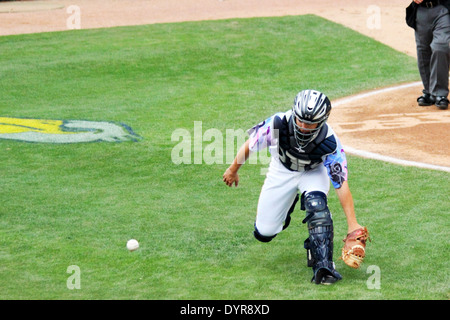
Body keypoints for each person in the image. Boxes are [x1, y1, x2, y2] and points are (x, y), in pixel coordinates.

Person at [222, 89, 369, 285]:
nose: (304, 126)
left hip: (313, 172)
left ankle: (324, 266)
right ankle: (290, 205)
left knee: (317, 207)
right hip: (282, 169)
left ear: (323, 120)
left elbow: (341, 183)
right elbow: (250, 144)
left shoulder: (330, 142)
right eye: (300, 120)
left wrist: (353, 223)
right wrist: (233, 170)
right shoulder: (277, 123)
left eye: (310, 123)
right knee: (264, 232)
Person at [406, 0, 450, 110]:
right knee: (423, 50)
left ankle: (440, 93)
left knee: (440, 46)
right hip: (420, 10)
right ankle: (430, 92)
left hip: (442, 9)